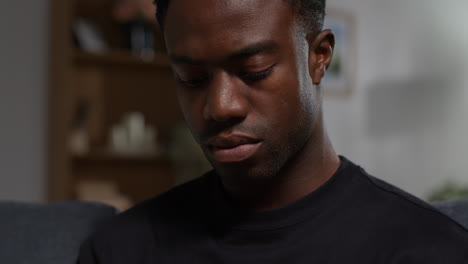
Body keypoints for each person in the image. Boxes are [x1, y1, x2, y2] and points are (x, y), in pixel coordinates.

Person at [78, 0, 468, 263]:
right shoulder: (119, 250)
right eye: (192, 78)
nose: (220, 106)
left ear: (319, 58)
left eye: (255, 71)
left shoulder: (429, 249)